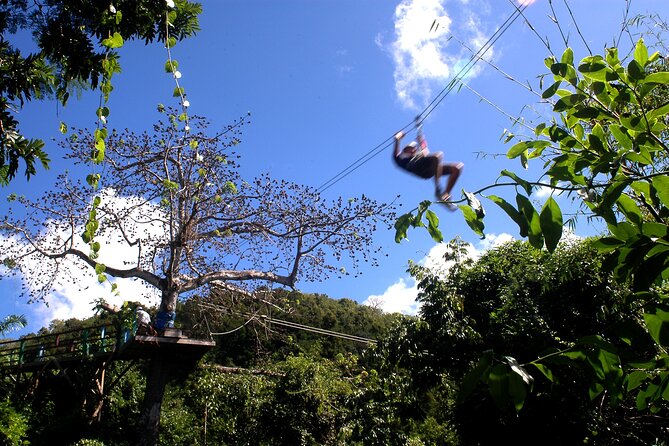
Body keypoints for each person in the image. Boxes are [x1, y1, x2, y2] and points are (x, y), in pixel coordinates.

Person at [393, 130, 463, 205]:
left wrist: (421, 141)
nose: (414, 149)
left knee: (457, 168)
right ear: (405, 151)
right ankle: (438, 189)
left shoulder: (419, 154)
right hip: (419, 169)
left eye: (414, 148)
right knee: (437, 155)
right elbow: (396, 150)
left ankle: (445, 196)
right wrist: (399, 137)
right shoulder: (403, 160)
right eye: (411, 148)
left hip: (430, 168)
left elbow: (426, 153)